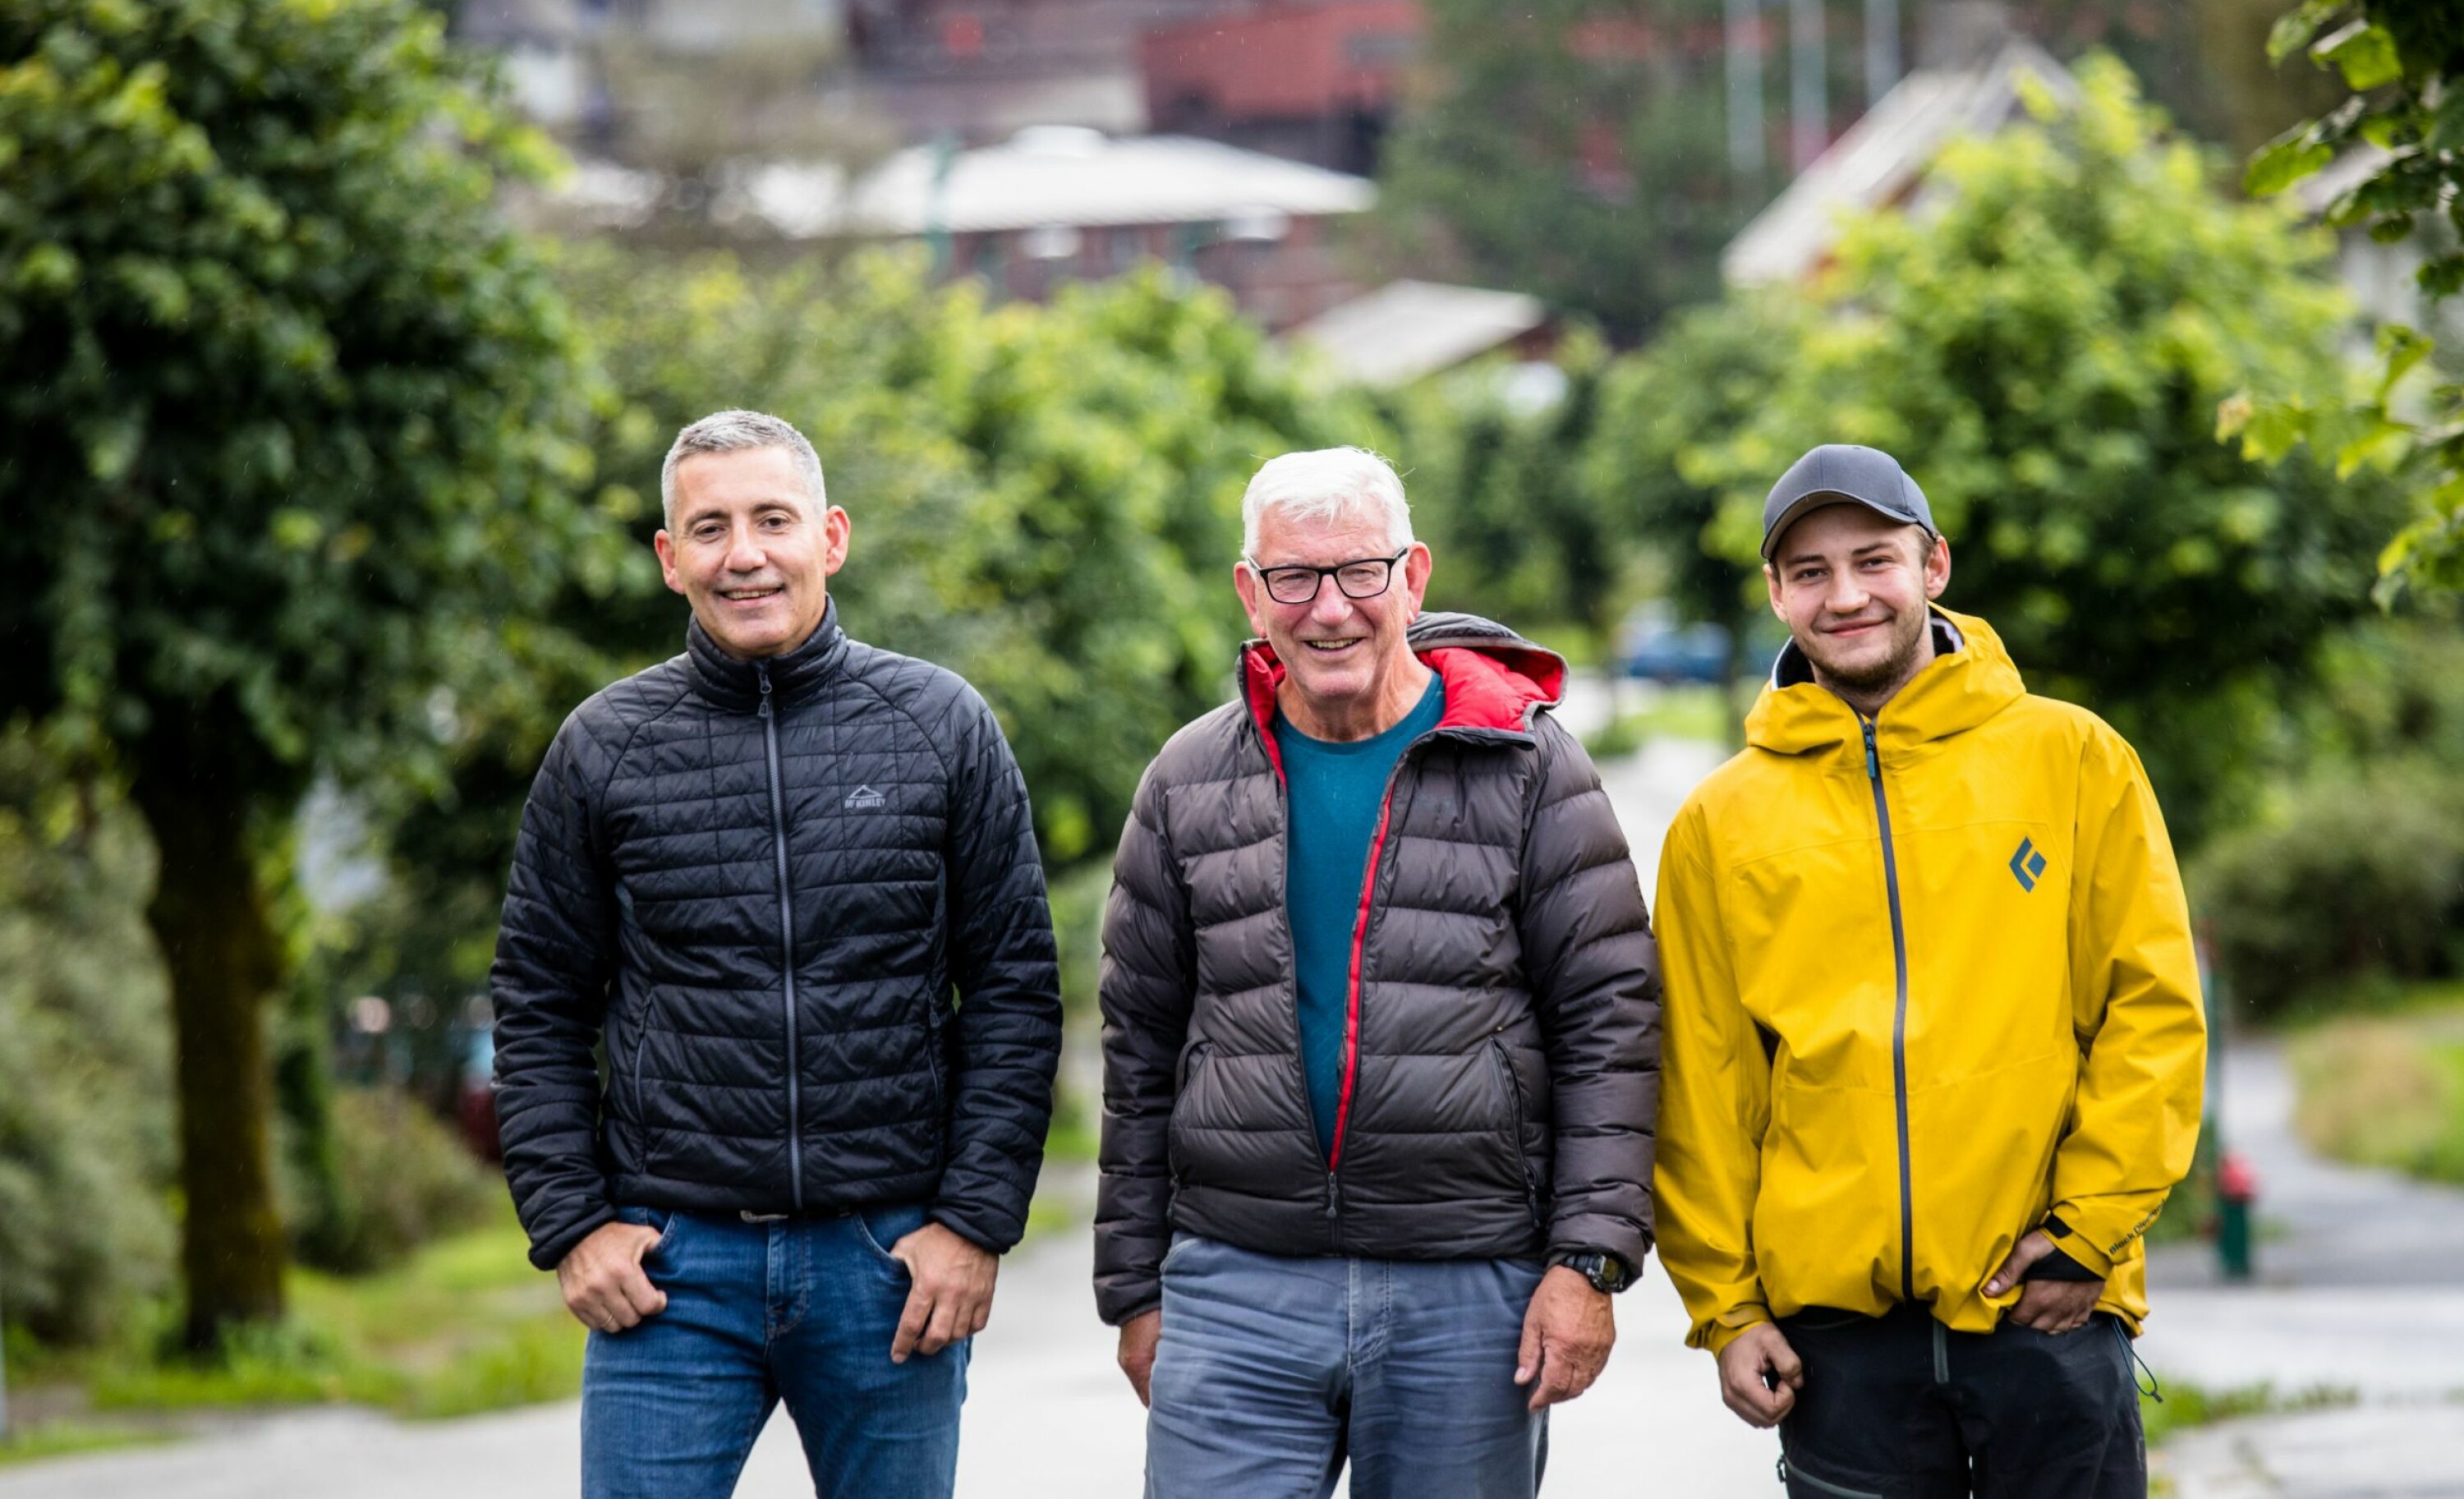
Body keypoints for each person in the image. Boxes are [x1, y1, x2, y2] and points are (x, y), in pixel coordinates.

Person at [491, 410, 1064, 1499]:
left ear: (831, 536)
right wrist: (573, 1224)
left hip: (889, 1261)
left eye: (772, 519)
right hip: (672, 1271)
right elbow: (538, 999)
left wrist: (974, 1225)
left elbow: (1014, 991)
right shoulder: (602, 747)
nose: (743, 553)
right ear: (671, 558)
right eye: (708, 527)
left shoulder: (942, 725)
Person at [1095, 446, 1660, 1499]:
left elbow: (1610, 1026)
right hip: (1235, 1279)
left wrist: (1588, 1263)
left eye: (1360, 570)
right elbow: (1139, 1044)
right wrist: (1133, 1284)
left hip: (1468, 1281)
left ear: (1414, 576)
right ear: (1249, 592)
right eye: (1294, 577)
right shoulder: (1185, 779)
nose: (1329, 609)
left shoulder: (1529, 766)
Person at [1653, 444, 2207, 1499]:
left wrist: (2090, 1229)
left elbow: (2153, 1011)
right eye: (1810, 570)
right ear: (1775, 592)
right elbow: (1700, 1082)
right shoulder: (1720, 822)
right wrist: (1727, 1308)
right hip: (1837, 1346)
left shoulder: (2074, 757)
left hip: (2048, 1305)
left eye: (1875, 559)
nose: (1847, 593)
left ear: (1934, 564)